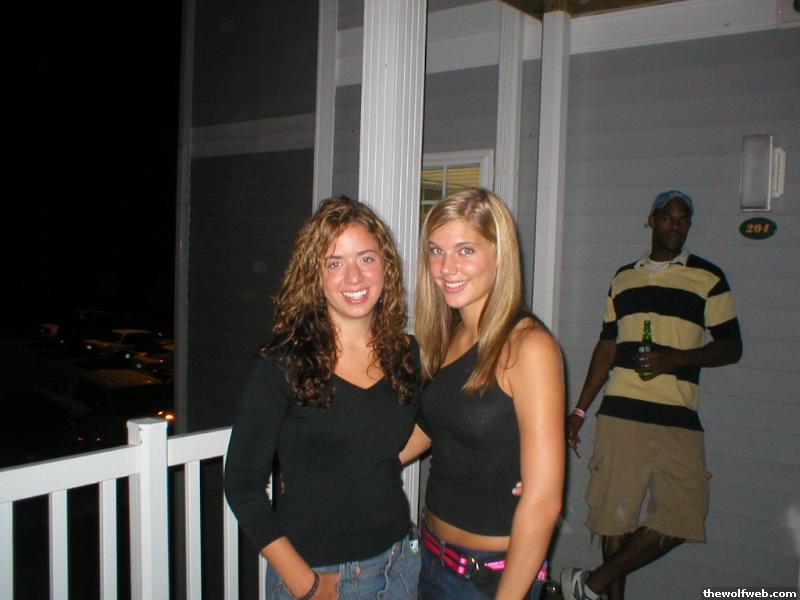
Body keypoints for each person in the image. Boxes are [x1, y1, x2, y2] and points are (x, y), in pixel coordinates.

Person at [224, 197, 422, 600]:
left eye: (366, 258)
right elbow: (241, 485)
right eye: (335, 263)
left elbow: (441, 420)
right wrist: (305, 583)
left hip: (401, 562)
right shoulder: (283, 364)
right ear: (315, 275)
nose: (354, 276)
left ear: (385, 265)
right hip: (320, 574)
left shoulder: (407, 354)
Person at [561, 190, 743, 600]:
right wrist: (579, 410)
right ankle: (600, 591)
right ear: (651, 220)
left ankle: (591, 584)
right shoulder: (623, 278)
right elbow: (607, 346)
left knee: (684, 515)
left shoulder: (708, 278)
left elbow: (731, 347)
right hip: (620, 413)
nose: (675, 226)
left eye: (683, 219)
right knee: (614, 520)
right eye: (668, 217)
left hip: (678, 414)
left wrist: (675, 359)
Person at [400, 188, 565, 600]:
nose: (446, 268)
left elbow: (543, 503)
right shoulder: (450, 336)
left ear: (500, 254)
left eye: (465, 250)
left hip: (486, 579)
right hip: (428, 558)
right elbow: (430, 428)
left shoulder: (528, 347)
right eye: (436, 251)